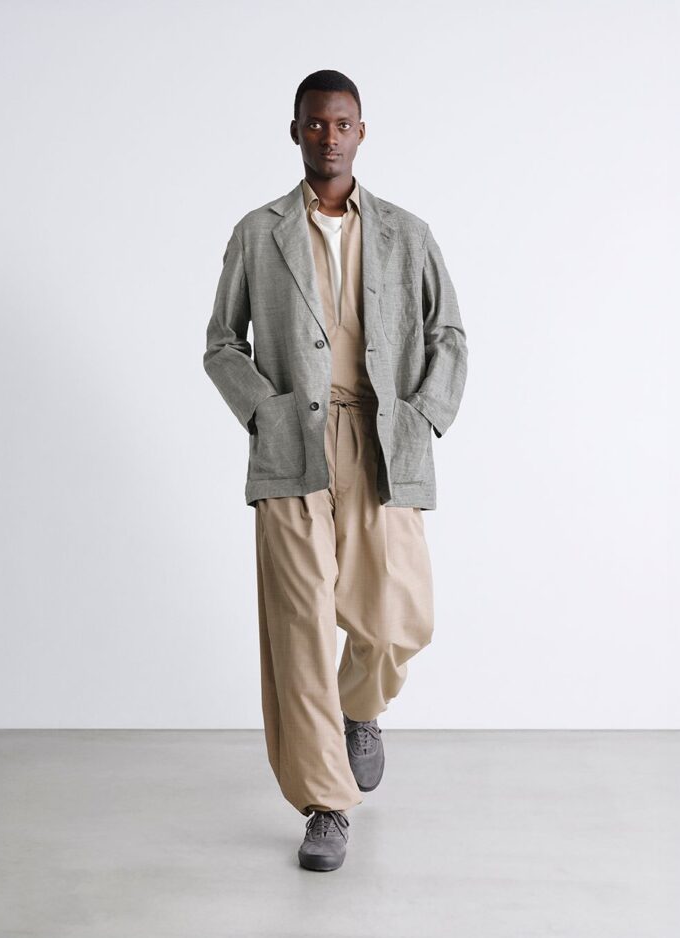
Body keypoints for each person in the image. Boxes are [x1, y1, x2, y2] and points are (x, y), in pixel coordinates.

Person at [203, 69, 468, 872]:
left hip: (383, 441)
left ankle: (361, 708)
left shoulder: (406, 233)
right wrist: (266, 411)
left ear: (361, 132)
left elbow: (449, 335)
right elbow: (222, 343)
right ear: (296, 132)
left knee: (400, 621)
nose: (329, 136)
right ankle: (326, 805)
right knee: (302, 629)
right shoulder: (259, 233)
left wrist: (424, 417)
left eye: (342, 123)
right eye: (315, 124)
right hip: (294, 447)